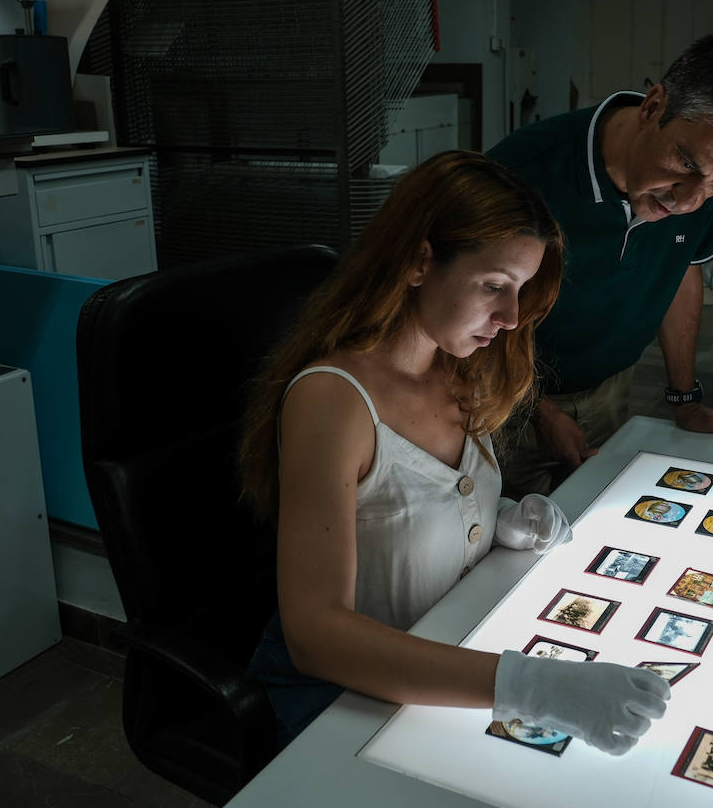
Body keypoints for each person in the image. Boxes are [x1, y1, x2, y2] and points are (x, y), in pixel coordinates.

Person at [239, 150, 670, 754]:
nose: (511, 317)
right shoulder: (333, 401)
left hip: (440, 652)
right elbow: (317, 637)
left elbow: (400, 513)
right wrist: (533, 685)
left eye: (519, 290)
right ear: (420, 261)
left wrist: (496, 524)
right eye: (494, 286)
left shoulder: (458, 368)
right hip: (348, 698)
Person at [489, 33, 713, 497]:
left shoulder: (702, 185)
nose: (690, 200)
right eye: (686, 163)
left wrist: (684, 396)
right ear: (653, 107)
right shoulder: (521, 174)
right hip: (505, 397)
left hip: (611, 388)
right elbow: (468, 320)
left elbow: (679, 272)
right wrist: (540, 411)